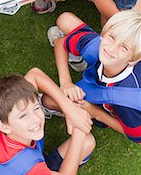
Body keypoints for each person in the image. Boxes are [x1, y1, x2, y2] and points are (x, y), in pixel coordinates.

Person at [47, 10, 141, 144]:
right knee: (65, 19)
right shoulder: (99, 47)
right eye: (112, 37)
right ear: (103, 33)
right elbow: (60, 43)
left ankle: (69, 109)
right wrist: (66, 82)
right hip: (104, 70)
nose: (112, 48)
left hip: (108, 101)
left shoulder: (127, 103)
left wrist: (95, 112)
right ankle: (77, 58)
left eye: (124, 47)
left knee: (49, 100)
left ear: (132, 60)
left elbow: (138, 137)